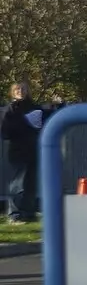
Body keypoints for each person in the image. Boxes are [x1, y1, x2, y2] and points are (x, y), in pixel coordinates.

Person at [2, 81, 44, 223]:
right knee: (18, 184)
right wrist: (24, 123)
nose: (21, 91)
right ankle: (14, 214)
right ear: (13, 92)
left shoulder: (34, 107)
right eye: (18, 89)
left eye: (23, 89)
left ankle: (29, 212)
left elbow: (43, 120)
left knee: (30, 183)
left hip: (33, 149)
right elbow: (5, 131)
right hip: (18, 151)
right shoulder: (10, 109)